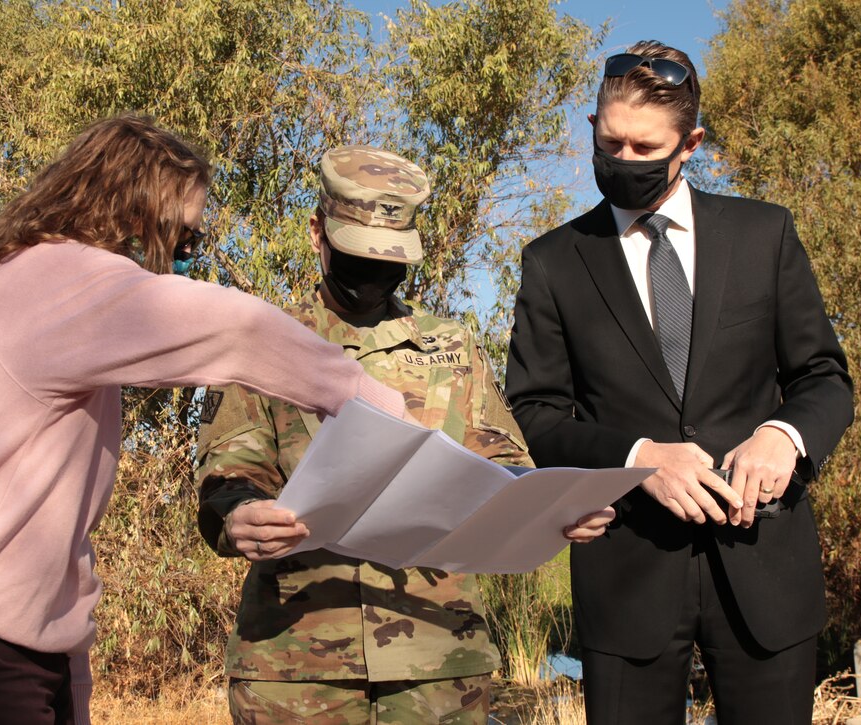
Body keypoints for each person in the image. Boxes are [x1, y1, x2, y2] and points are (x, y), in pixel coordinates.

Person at [0, 116, 417, 725]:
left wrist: (70, 669)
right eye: (183, 236)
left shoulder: (33, 285)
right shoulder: (57, 282)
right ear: (131, 212)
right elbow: (235, 329)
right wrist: (376, 405)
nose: (180, 256)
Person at [196, 145, 615, 725]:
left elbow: (505, 466)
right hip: (295, 664)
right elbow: (229, 473)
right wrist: (240, 514)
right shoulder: (264, 342)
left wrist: (557, 509)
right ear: (318, 231)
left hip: (441, 657)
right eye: (358, 256)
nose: (372, 275)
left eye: (388, 261)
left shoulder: (452, 348)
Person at [504, 41, 854, 725]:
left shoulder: (765, 234)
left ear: (690, 142)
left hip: (765, 574)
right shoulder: (554, 263)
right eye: (610, 143)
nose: (623, 161)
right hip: (626, 580)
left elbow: (824, 377)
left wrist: (784, 435)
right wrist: (637, 459)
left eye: (644, 147)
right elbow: (537, 410)